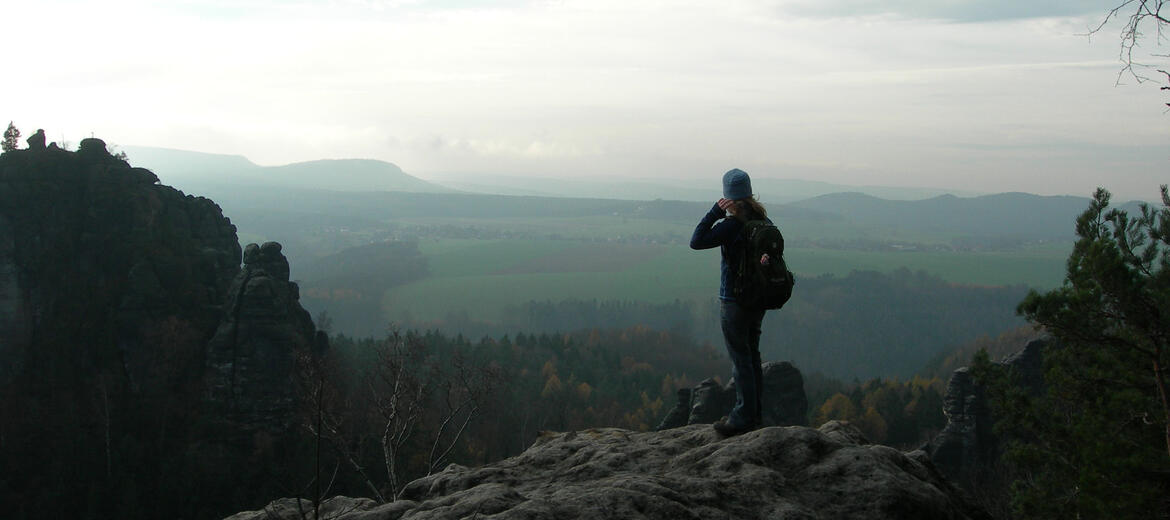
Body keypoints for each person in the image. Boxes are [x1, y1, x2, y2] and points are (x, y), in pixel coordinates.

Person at [689, 168, 771, 436]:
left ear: (728, 198)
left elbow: (696, 241)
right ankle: (755, 414)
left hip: (733, 302)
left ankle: (741, 419)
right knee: (752, 357)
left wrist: (714, 212)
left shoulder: (730, 226)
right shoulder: (763, 222)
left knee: (741, 360)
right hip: (757, 301)